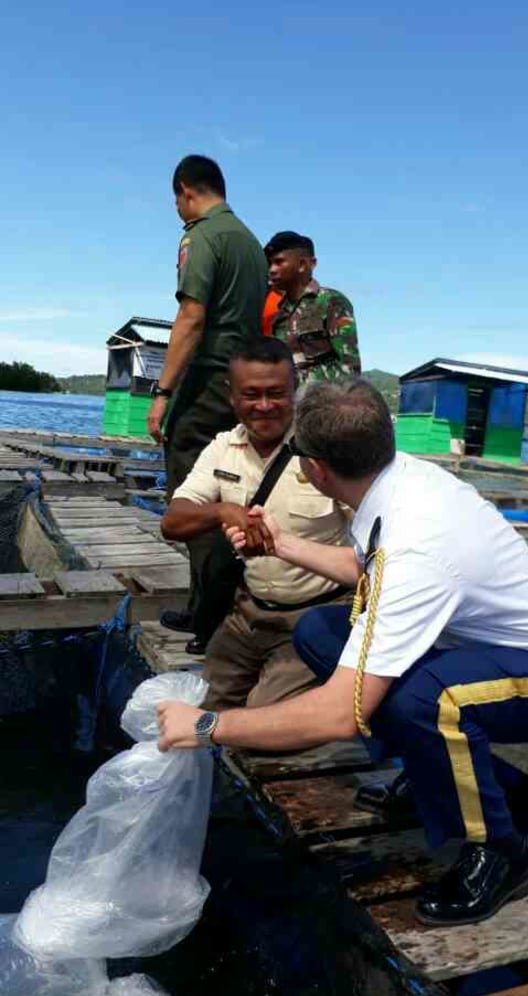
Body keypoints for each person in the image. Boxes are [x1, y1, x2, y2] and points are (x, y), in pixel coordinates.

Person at [157, 380, 528, 928]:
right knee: (321, 630)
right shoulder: (396, 482)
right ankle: (427, 775)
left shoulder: (415, 544)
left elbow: (339, 715)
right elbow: (365, 568)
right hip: (477, 652)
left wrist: (206, 726)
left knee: (429, 700)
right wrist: (281, 543)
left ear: (315, 469)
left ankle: (500, 853)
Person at [161, 338, 351, 699]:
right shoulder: (222, 448)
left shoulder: (328, 450)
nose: (264, 406)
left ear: (295, 391)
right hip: (248, 610)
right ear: (231, 396)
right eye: (251, 395)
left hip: (318, 613)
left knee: (265, 713)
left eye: (276, 393)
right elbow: (172, 522)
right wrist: (223, 510)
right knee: (206, 703)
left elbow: (377, 547)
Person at [150, 154, 267, 636]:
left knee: (193, 497)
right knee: (232, 489)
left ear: (186, 190)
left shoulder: (202, 236)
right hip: (239, 386)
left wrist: (163, 392)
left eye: (177, 200)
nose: (178, 209)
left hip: (205, 383)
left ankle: (208, 616)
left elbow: (192, 317)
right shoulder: (251, 243)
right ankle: (217, 608)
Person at [265, 231, 361, 384]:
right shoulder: (279, 316)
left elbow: (349, 369)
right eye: (270, 263)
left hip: (326, 397)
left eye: (279, 262)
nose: (272, 270)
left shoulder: (331, 302)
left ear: (303, 265)